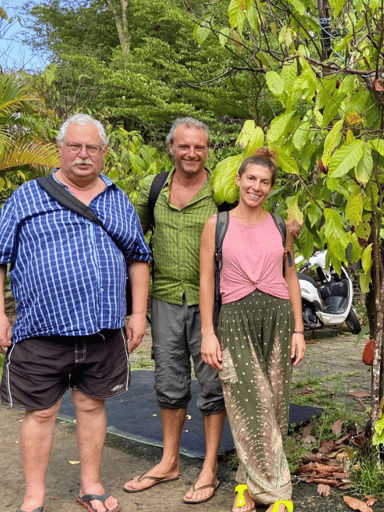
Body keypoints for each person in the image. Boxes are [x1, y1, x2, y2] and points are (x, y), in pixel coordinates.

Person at [0, 113, 152, 512]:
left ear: (103, 153)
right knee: (42, 412)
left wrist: (138, 316)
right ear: (60, 149)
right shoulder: (28, 196)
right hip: (41, 329)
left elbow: (138, 258)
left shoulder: (117, 199)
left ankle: (92, 486)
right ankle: (34, 497)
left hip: (102, 328)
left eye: (92, 148)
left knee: (90, 404)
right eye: (75, 146)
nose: (83, 155)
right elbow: (0, 258)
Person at [123, 117, 226, 504]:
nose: (191, 153)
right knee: (169, 379)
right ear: (171, 148)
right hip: (165, 297)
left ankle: (210, 466)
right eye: (184, 146)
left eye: (199, 147)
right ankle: (169, 460)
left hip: (212, 303)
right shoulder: (154, 188)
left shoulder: (224, 189)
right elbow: (133, 237)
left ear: (207, 150)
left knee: (213, 382)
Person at [199, 149, 305, 512]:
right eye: (251, 179)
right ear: (238, 180)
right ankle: (278, 495)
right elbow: (206, 280)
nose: (256, 187)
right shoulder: (218, 224)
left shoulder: (279, 225)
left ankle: (246, 486)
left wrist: (299, 330)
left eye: (264, 182)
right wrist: (208, 334)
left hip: (277, 320)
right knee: (248, 403)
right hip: (234, 321)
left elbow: (290, 275)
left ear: (270, 188)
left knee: (274, 406)